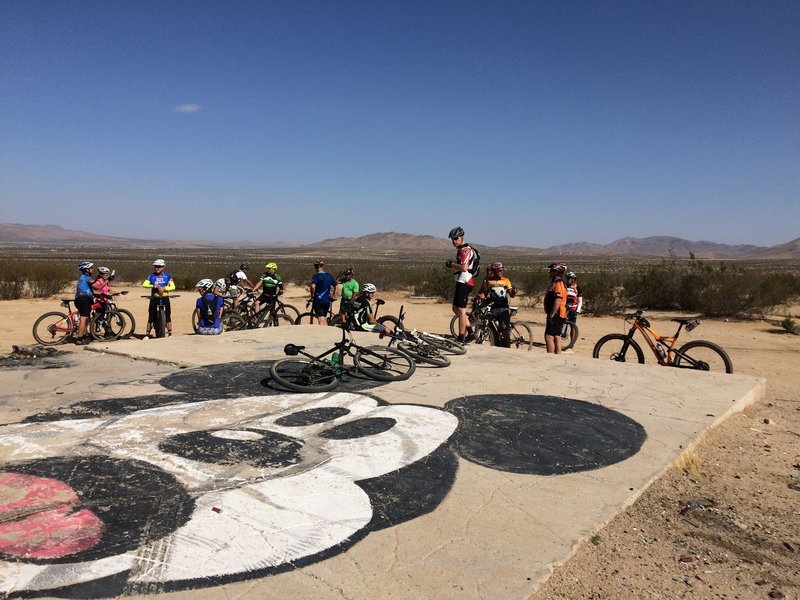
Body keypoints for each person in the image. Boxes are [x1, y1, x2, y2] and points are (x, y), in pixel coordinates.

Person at [446, 226, 479, 343]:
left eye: (456, 238)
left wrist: (452, 264)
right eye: (452, 239)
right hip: (462, 281)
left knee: (461, 310)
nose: (454, 241)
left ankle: (461, 337)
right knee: (455, 308)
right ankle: (470, 332)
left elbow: (464, 268)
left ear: (462, 238)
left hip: (465, 281)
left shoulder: (465, 250)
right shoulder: (462, 250)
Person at [476, 262, 517, 348]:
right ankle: (497, 347)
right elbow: (485, 293)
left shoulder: (506, 280)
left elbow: (511, 295)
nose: (501, 272)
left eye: (502, 270)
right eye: (499, 270)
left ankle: (507, 348)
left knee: (504, 328)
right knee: (492, 330)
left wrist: (513, 292)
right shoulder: (488, 281)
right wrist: (479, 298)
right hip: (493, 308)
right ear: (494, 271)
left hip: (503, 308)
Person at [142, 258, 175, 337]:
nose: (157, 268)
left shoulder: (168, 275)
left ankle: (170, 333)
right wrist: (153, 286)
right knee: (151, 316)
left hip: (165, 297)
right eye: (156, 266)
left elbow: (173, 286)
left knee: (168, 316)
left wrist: (165, 288)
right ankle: (147, 334)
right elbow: (144, 284)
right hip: (154, 298)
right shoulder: (151, 276)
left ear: (163, 267)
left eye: (159, 266)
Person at [544, 262, 568, 354]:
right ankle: (558, 357)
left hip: (556, 314)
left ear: (556, 272)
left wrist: (551, 315)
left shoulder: (558, 284)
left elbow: (558, 300)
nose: (550, 273)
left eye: (551, 271)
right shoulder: (556, 283)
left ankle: (550, 358)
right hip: (558, 314)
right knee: (556, 336)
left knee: (549, 337)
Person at [310, 259, 337, 325]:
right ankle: (326, 332)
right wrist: (333, 296)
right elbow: (337, 286)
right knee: (324, 317)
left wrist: (312, 295)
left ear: (316, 267)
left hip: (319, 300)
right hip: (327, 300)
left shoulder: (316, 276)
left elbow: (312, 287)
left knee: (320, 318)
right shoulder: (329, 275)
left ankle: (323, 333)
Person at [73, 261, 95, 345]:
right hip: (84, 299)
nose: (93, 269)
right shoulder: (87, 278)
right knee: (84, 319)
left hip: (82, 299)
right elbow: (97, 286)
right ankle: (79, 338)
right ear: (87, 270)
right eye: (91, 268)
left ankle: (84, 336)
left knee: (86, 318)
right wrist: (107, 280)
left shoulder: (83, 277)